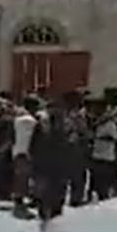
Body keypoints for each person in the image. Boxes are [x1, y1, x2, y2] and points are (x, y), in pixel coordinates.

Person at [30, 94, 73, 224]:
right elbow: (34, 143)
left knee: (59, 190)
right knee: (43, 190)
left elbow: (73, 144)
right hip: (44, 162)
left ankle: (56, 214)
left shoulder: (68, 125)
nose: (55, 111)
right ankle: (44, 213)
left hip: (61, 163)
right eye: (52, 108)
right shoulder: (42, 124)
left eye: (58, 108)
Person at [87, 96, 117, 202]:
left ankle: (106, 196)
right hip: (96, 154)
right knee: (96, 178)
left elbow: (115, 137)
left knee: (104, 178)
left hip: (106, 155)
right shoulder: (95, 121)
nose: (94, 110)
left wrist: (98, 138)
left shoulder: (109, 122)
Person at [11, 96, 40, 219]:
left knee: (21, 178)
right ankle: (24, 204)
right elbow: (34, 139)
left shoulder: (17, 120)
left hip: (18, 151)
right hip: (28, 153)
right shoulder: (32, 122)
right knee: (28, 178)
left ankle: (20, 201)